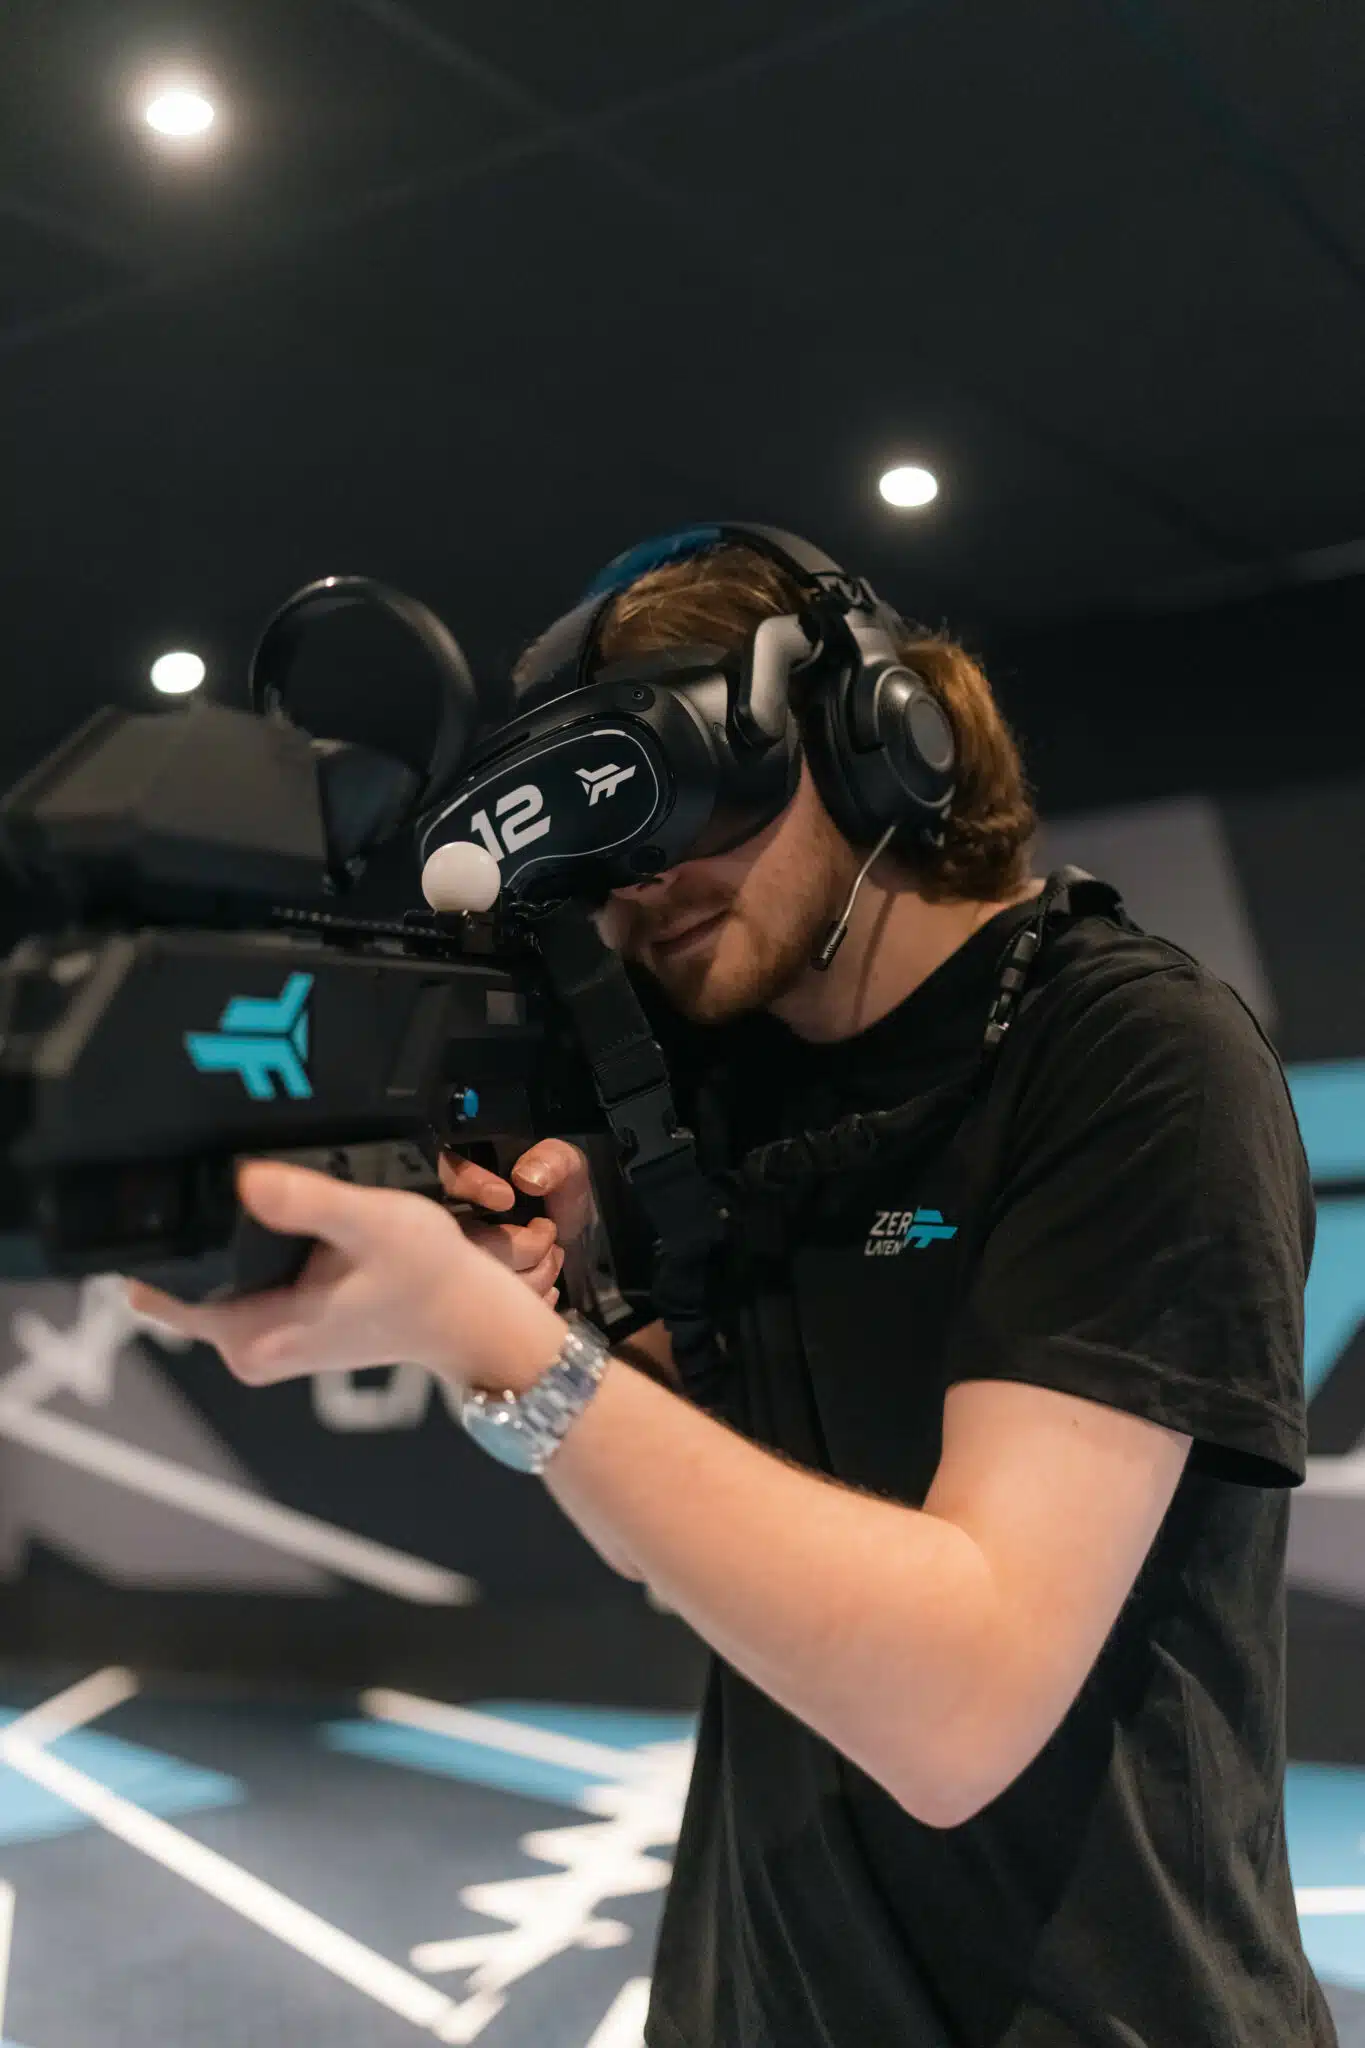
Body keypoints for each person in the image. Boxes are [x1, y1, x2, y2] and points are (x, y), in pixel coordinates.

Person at [130, 534, 1336, 2048]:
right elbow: (700, 1551)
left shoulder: (1131, 1059)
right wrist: (548, 1325)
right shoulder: (717, 1087)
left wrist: (500, 1346)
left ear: (872, 731)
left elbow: (962, 1708)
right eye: (593, 856)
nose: (640, 884)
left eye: (677, 796)